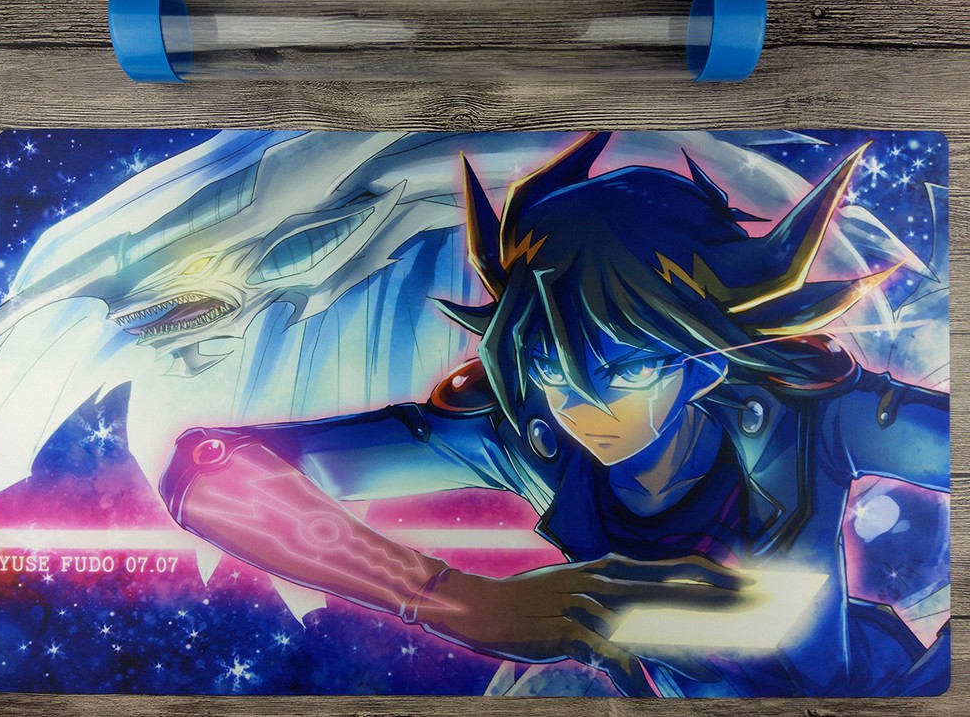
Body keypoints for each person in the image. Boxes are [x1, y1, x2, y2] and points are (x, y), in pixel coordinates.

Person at [158, 132, 949, 697]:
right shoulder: (528, 431)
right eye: (551, 366)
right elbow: (207, 472)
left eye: (625, 370)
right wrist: (459, 600)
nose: (584, 405)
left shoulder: (808, 414)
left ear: (704, 363)